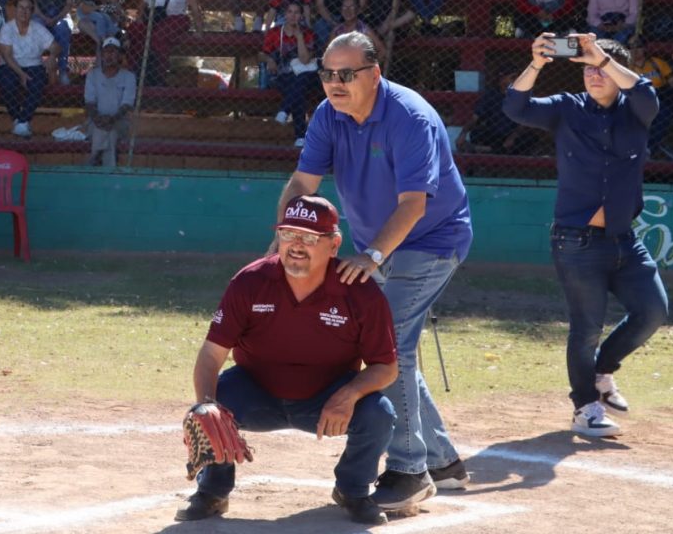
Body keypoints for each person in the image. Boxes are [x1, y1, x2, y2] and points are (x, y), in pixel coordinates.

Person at [278, 31, 473, 511]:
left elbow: (414, 204)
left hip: (431, 242)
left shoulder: (409, 117)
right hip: (376, 246)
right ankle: (442, 460)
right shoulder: (329, 115)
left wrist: (373, 257)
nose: (335, 83)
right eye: (327, 74)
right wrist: (284, 239)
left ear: (374, 74)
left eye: (346, 74)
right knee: (393, 344)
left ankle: (410, 471)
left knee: (391, 347)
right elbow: (303, 184)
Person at [176, 194, 397, 526]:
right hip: (256, 392)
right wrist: (206, 405)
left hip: (326, 400)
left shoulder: (360, 291)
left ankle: (353, 490)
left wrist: (349, 395)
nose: (296, 244)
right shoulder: (250, 281)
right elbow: (211, 354)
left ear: (333, 244)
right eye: (288, 233)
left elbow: (386, 366)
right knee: (214, 403)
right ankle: (213, 491)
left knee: (378, 412)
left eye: (309, 237)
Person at [503, 34, 668, 437]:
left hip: (623, 239)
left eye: (602, 67)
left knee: (653, 312)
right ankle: (585, 407)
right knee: (586, 328)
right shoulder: (567, 108)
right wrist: (537, 63)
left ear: (617, 71)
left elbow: (647, 94)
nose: (594, 73)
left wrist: (602, 56)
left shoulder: (637, 112)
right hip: (575, 242)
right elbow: (515, 106)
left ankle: (601, 372)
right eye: (588, 66)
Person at [126, 0, 205, 87]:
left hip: (175, 19)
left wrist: (199, 30)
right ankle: (134, 75)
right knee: (135, 31)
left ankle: (157, 77)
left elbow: (194, 6)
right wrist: (139, 18)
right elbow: (142, 0)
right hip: (153, 18)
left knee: (157, 37)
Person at [0, 0, 59, 138]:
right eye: (20, 7)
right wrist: (21, 74)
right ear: (15, 10)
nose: (24, 11)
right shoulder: (7, 28)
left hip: (33, 65)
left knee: (38, 82)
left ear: (32, 11)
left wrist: (52, 56)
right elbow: (7, 56)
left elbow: (55, 46)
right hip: (10, 66)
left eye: (28, 8)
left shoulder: (38, 28)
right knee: (7, 81)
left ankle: (21, 122)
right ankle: (21, 121)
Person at [260, 1, 319, 146]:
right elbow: (260, 55)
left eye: (297, 12)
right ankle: (300, 135)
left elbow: (305, 60)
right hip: (283, 74)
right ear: (285, 14)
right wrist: (269, 60)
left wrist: (299, 37)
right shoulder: (275, 32)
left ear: (301, 16)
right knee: (298, 88)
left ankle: (285, 110)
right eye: (290, 12)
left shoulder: (308, 34)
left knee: (302, 79)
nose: (293, 16)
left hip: (305, 74)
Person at [457, 65, 535, 154]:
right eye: (512, 78)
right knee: (476, 133)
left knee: (530, 139)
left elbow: (524, 123)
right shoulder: (491, 95)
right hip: (494, 134)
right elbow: (475, 118)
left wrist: (513, 137)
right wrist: (463, 133)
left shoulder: (522, 96)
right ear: (501, 80)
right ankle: (495, 150)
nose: (516, 81)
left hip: (512, 134)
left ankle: (484, 149)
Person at [83, 37, 135, 168]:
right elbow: (89, 102)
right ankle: (109, 171)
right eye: (106, 52)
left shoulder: (129, 77)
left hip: (120, 121)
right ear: (102, 55)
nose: (109, 55)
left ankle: (94, 161)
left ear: (119, 56)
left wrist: (111, 119)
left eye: (113, 52)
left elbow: (127, 104)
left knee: (108, 131)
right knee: (107, 134)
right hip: (95, 121)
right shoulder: (92, 75)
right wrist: (98, 118)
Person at [627, 34, 673, 155]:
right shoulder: (626, 67)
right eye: (630, 47)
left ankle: (649, 149)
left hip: (660, 97)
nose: (634, 50)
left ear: (644, 48)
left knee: (663, 116)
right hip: (637, 98)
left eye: (638, 46)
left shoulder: (657, 63)